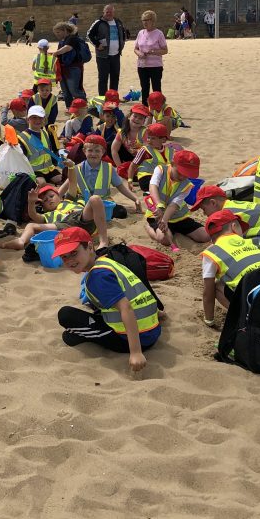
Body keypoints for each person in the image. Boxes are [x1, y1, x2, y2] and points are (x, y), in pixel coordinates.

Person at [54, 227, 160, 372]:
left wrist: (136, 352)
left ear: (90, 247)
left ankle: (91, 337)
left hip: (137, 339)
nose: (70, 260)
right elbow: (135, 290)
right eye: (64, 257)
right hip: (152, 329)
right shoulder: (107, 261)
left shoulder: (97, 276)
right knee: (95, 305)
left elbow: (126, 307)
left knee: (66, 316)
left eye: (74, 253)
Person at [200, 211, 260, 327]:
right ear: (234, 227)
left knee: (216, 285)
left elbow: (208, 292)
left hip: (258, 302)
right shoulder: (253, 243)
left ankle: (247, 316)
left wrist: (209, 320)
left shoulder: (213, 252)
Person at [144, 149, 209, 251]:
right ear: (172, 164)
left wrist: (164, 220)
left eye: (187, 174)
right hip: (156, 214)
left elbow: (174, 205)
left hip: (178, 216)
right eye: (180, 172)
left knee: (205, 236)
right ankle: (148, 227)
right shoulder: (160, 170)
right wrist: (158, 205)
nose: (182, 176)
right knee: (164, 239)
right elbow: (153, 186)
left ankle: (171, 228)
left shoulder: (187, 185)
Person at [189, 184, 260, 248]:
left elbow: (228, 239)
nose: (204, 214)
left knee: (239, 248)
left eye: (204, 209)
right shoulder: (232, 203)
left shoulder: (228, 214)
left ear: (213, 203)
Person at [86, 4, 127, 96]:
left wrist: (122, 43)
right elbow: (89, 35)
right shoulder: (98, 22)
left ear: (113, 12)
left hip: (116, 55)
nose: (109, 13)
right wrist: (97, 44)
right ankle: (102, 98)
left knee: (115, 77)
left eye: (111, 12)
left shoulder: (118, 22)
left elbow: (123, 34)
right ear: (103, 12)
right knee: (103, 78)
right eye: (107, 12)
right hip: (103, 56)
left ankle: (112, 97)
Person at [133, 11, 167, 106]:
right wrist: (139, 53)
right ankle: (145, 108)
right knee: (144, 88)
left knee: (156, 88)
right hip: (142, 66)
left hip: (155, 66)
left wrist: (153, 52)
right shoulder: (141, 33)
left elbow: (165, 50)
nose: (144, 22)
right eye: (143, 20)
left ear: (152, 21)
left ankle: (158, 107)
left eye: (146, 20)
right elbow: (135, 48)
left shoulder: (159, 33)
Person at [51, 21, 87, 107]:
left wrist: (55, 53)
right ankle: (70, 108)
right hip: (63, 68)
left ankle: (83, 106)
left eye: (58, 32)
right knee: (66, 91)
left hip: (73, 69)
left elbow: (68, 48)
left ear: (65, 30)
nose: (57, 34)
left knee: (74, 90)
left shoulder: (72, 38)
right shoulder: (63, 41)